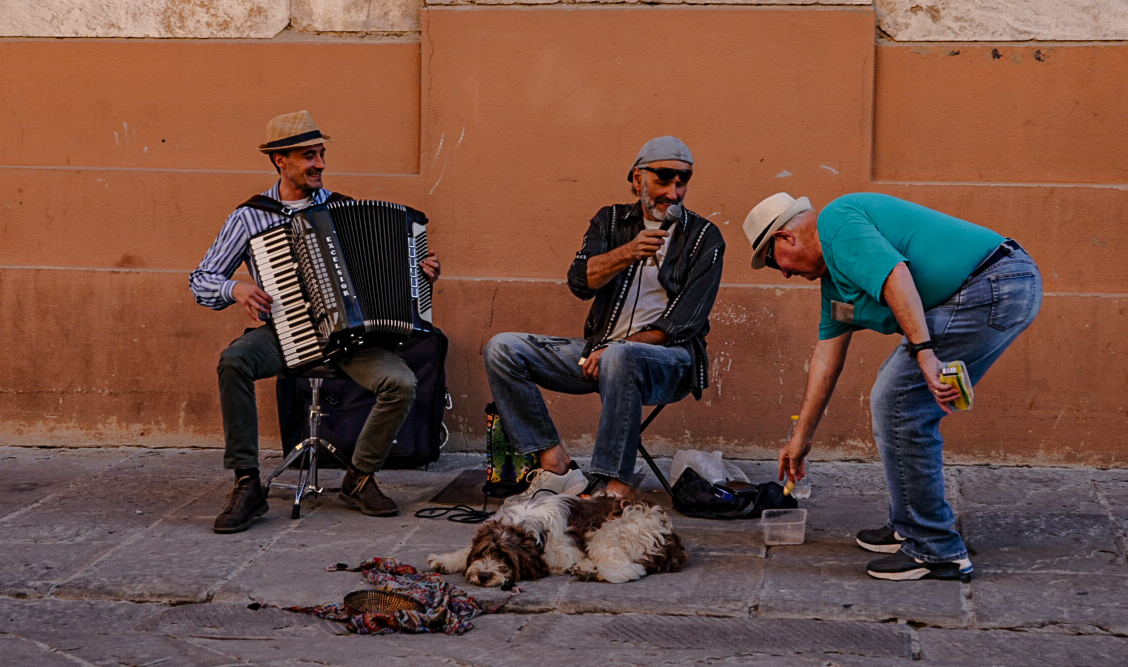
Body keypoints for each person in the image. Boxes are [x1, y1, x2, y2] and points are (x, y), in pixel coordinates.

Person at [743, 191, 1041, 581]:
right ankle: (910, 525)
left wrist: (925, 354)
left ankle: (936, 547)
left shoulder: (835, 222)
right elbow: (826, 360)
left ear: (786, 238)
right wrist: (801, 439)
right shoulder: (835, 287)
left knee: (898, 402)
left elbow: (895, 276)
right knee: (895, 399)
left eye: (772, 262)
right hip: (996, 285)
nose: (782, 273)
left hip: (992, 283)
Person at [189, 110, 441, 533]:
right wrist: (236, 289)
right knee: (235, 361)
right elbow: (201, 280)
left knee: (400, 383)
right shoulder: (251, 218)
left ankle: (359, 476)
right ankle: (248, 483)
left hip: (350, 340)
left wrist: (420, 268)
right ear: (280, 161)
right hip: (286, 332)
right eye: (309, 156)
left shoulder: (344, 210)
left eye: (321, 154)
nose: (320, 164)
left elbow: (395, 268)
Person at [483, 136, 725, 500]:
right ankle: (554, 462)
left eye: (683, 180)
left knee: (619, 355)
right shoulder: (609, 220)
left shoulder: (705, 237)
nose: (674, 193)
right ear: (636, 179)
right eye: (663, 179)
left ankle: (616, 487)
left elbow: (682, 323)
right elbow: (580, 282)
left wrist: (617, 347)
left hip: (669, 362)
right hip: (598, 353)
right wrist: (628, 252)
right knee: (502, 348)